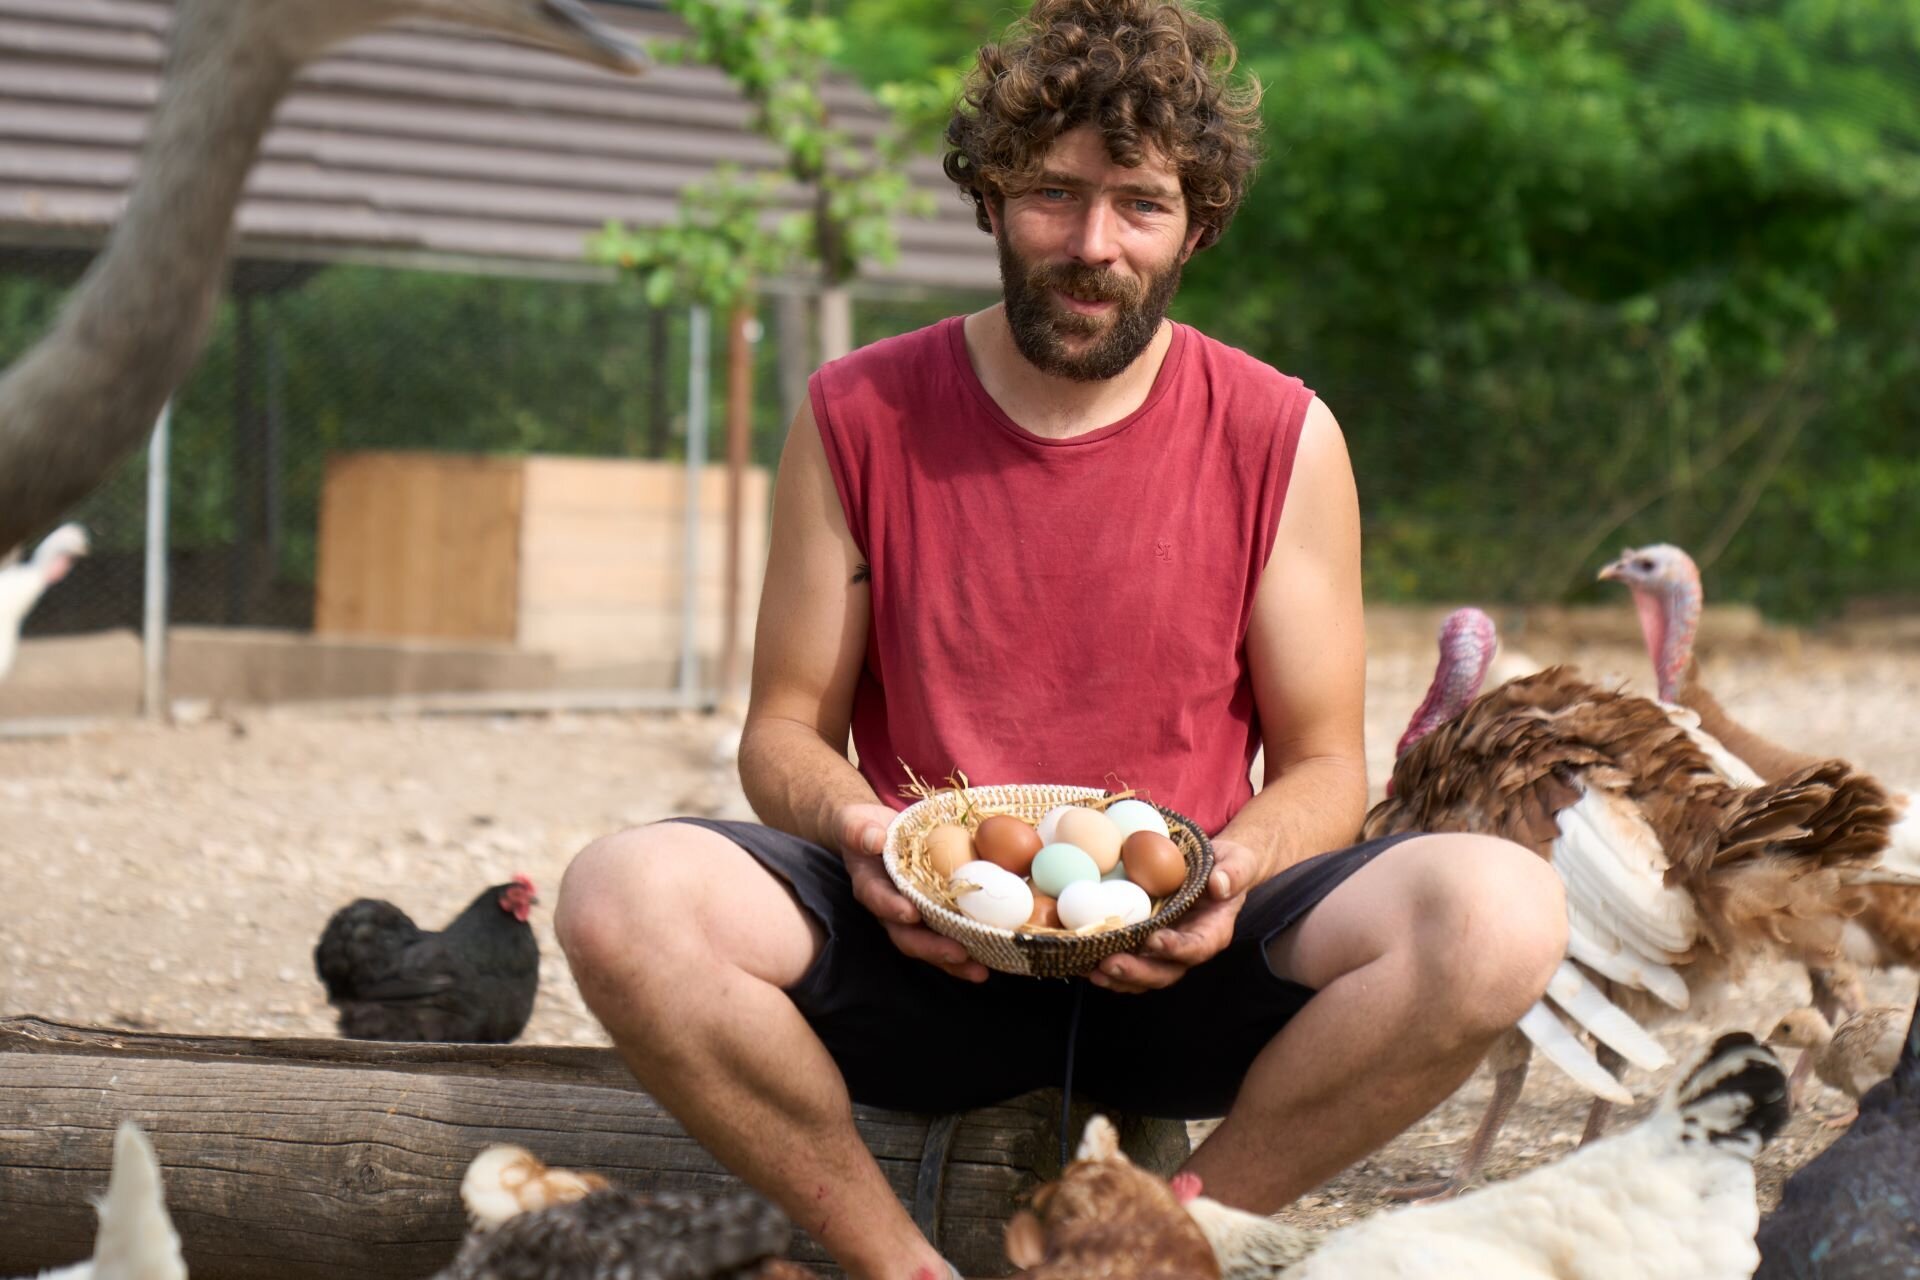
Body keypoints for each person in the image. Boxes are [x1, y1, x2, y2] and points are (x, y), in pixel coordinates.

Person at [556, 1, 1567, 1276]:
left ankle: (1155, 1242)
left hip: (1181, 963)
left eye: (1138, 204)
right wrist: (871, 839)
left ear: (1196, 226)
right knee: (620, 898)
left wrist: (1232, 871)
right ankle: (895, 1261)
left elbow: (1324, 765)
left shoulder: (1281, 433)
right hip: (923, 948)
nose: (1093, 244)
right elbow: (784, 729)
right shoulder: (857, 410)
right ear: (988, 196)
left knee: (1502, 910)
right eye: (1052, 192)